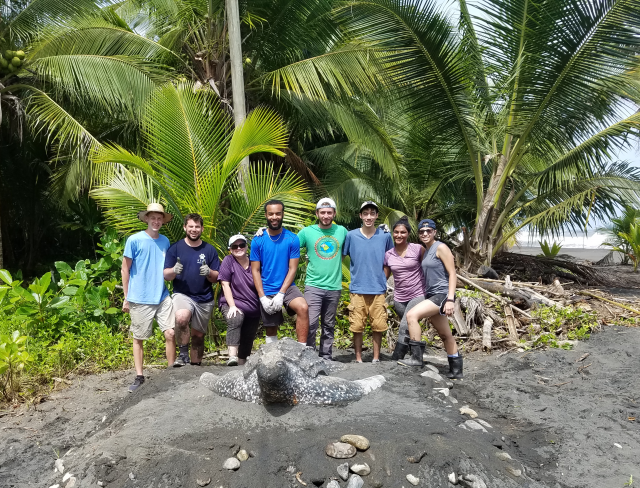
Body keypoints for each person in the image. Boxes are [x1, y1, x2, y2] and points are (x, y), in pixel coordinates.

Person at [122, 203, 176, 393]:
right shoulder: (134, 240)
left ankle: (171, 373)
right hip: (140, 297)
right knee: (139, 338)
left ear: (163, 221)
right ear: (146, 219)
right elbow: (125, 268)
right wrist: (126, 297)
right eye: (153, 218)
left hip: (161, 295)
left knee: (170, 333)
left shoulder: (165, 241)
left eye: (159, 218)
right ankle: (139, 376)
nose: (156, 221)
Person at [398, 219, 461, 379]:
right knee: (445, 334)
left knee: (411, 315)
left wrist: (450, 299)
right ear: (418, 234)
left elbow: (453, 273)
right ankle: (456, 369)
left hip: (441, 295)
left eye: (428, 231)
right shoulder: (426, 251)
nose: (425, 233)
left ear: (434, 232)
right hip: (432, 294)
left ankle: (416, 358)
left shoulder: (441, 247)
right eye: (421, 232)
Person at [250, 200, 309, 345]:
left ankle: (302, 350)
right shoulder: (258, 240)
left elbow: (292, 268)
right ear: (266, 215)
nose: (274, 217)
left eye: (278, 213)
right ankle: (272, 356)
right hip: (267, 288)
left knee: (303, 307)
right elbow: (255, 270)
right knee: (271, 328)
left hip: (288, 286)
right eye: (270, 214)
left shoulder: (292, 239)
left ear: (283, 214)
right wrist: (262, 297)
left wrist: (281, 294)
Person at [164, 213, 220, 367]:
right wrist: (174, 270)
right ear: (185, 227)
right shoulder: (175, 248)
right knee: (181, 317)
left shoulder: (209, 250)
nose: (194, 229)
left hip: (204, 297)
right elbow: (166, 275)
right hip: (182, 294)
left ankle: (194, 368)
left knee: (198, 336)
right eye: (191, 226)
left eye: (197, 227)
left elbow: (216, 277)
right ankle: (182, 355)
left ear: (201, 229)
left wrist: (209, 272)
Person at [343, 201, 393, 363]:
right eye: (366, 213)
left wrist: (381, 279)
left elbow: (389, 261)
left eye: (372, 213)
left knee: (378, 325)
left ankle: (376, 358)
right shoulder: (351, 236)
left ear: (377, 216)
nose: (369, 217)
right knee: (357, 326)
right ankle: (358, 358)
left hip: (378, 290)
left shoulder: (385, 236)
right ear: (360, 216)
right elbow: (340, 256)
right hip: (357, 289)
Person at [298, 198, 348, 360]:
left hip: (334, 286)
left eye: (329, 212)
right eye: (322, 212)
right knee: (311, 323)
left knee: (329, 325)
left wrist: (381, 233)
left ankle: (326, 356)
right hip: (313, 286)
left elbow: (361, 241)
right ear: (317, 213)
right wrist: (266, 231)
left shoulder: (342, 231)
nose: (326, 215)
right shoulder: (307, 232)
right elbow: (287, 244)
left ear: (334, 213)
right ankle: (310, 356)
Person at [383, 216, 426, 360]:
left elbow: (429, 267)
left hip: (418, 293)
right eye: (396, 232)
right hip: (399, 298)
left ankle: (398, 356)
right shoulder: (388, 254)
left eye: (403, 232)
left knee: (404, 325)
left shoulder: (417, 249)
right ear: (392, 233)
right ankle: (414, 353)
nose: (399, 235)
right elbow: (384, 276)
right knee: (408, 325)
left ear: (408, 234)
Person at [218, 234, 261, 365]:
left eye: (241, 245)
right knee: (236, 318)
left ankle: (242, 364)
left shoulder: (255, 261)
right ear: (230, 249)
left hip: (253, 306)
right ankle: (232, 357)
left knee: (249, 334)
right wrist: (232, 306)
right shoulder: (228, 260)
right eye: (234, 246)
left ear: (247, 247)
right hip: (232, 302)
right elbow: (225, 284)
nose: (238, 248)